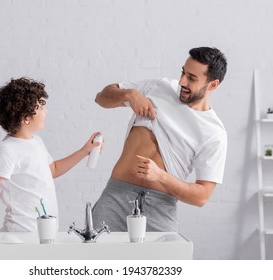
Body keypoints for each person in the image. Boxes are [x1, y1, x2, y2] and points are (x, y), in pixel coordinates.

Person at [92, 47, 227, 232]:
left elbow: (201, 196)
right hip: (114, 198)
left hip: (159, 208)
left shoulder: (213, 132)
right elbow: (101, 98)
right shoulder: (159, 87)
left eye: (192, 78)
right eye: (183, 72)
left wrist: (160, 176)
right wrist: (129, 95)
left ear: (213, 85)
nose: (182, 81)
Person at [0, 77, 101, 249]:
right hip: (22, 235)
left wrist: (84, 151)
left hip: (44, 233)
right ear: (26, 119)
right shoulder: (6, 151)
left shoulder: (36, 142)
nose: (46, 112)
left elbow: (54, 169)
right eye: (41, 107)